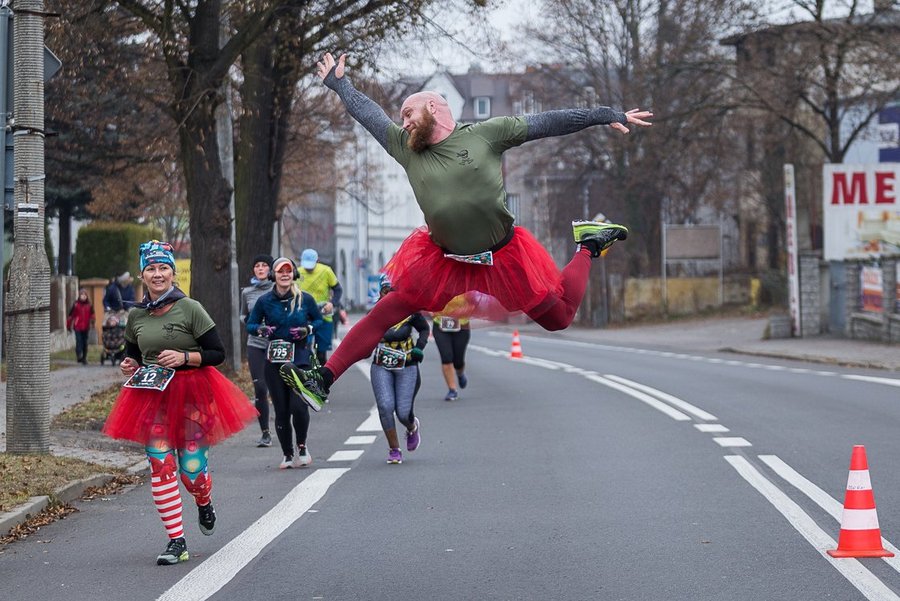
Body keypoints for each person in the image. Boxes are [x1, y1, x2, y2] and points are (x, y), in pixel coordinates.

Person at [280, 52, 652, 410]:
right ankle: (322, 380)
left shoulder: (487, 134)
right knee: (384, 311)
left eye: (409, 113)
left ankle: (588, 244)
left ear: (433, 107)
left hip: (502, 255)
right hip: (445, 260)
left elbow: (548, 122)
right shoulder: (405, 148)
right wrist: (339, 85)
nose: (403, 122)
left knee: (559, 318)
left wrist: (606, 115)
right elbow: (368, 113)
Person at [101, 240, 257, 566]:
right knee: (160, 466)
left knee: (192, 471)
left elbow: (217, 353)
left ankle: (203, 500)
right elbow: (133, 353)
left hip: (191, 395)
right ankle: (176, 541)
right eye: (151, 269)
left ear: (173, 273)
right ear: (142, 275)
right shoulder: (136, 315)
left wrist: (184, 357)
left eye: (163, 268)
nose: (157, 274)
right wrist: (130, 364)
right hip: (152, 396)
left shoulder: (190, 308)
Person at [246, 257, 323, 469]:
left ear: (294, 274)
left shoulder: (305, 299)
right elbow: (250, 323)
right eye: (281, 271)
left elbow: (318, 320)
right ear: (274, 275)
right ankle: (287, 454)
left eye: (288, 271)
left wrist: (307, 330)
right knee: (281, 410)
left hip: (300, 359)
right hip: (275, 362)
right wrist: (260, 329)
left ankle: (302, 446)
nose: (285, 275)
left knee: (298, 406)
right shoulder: (264, 301)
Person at [369, 276, 429, 464]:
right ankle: (394, 449)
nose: (390, 295)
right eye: (386, 291)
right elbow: (362, 336)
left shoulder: (409, 309)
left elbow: (424, 329)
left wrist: (419, 348)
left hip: (407, 364)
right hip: (381, 365)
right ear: (381, 292)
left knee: (403, 413)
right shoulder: (375, 312)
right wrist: (361, 350)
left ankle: (412, 427)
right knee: (385, 406)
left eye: (394, 291)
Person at [240, 254, 275, 447]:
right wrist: (251, 323)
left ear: (270, 269)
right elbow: (243, 315)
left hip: (277, 344)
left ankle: (286, 426)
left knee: (280, 387)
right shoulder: (247, 292)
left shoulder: (277, 289)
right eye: (257, 266)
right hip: (255, 343)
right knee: (260, 388)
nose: (260, 268)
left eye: (264, 265)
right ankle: (265, 433)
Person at [296, 248, 342, 365]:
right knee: (305, 349)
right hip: (304, 316)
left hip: (323, 314)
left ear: (318, 261)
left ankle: (321, 373)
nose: (308, 268)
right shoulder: (297, 273)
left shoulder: (326, 271)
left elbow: (338, 289)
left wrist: (332, 303)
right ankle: (307, 371)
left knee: (321, 353)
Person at [432, 308, 470, 402]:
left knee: (458, 362)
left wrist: (463, 311)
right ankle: (452, 390)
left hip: (461, 325)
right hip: (440, 325)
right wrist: (431, 311)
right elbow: (427, 303)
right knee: (446, 357)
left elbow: (476, 303)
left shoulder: (466, 296)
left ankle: (460, 373)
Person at [66, 287, 95, 365]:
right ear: (79, 296)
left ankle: (84, 358)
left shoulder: (89, 305)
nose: (83, 296)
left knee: (85, 342)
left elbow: (92, 315)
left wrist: (92, 322)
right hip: (77, 326)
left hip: (86, 326)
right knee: (79, 341)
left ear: (86, 296)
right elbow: (71, 316)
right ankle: (79, 355)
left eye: (85, 295)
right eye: (82, 295)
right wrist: (68, 325)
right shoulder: (76, 304)